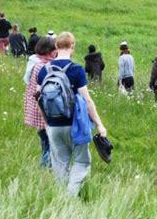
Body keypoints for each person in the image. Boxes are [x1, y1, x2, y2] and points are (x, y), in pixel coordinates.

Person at [37, 32, 107, 195]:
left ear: (56, 46)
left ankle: (61, 198)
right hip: (75, 125)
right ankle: (71, 196)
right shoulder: (76, 70)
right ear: (72, 46)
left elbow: (39, 99)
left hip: (53, 126)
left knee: (59, 164)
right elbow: (87, 101)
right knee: (82, 162)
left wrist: (47, 123)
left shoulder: (43, 70)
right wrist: (99, 124)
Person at [23, 37, 57, 167]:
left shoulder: (35, 63)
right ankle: (46, 166)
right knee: (49, 142)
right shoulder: (45, 67)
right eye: (54, 49)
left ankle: (45, 164)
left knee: (44, 140)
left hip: (36, 110)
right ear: (49, 50)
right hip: (43, 112)